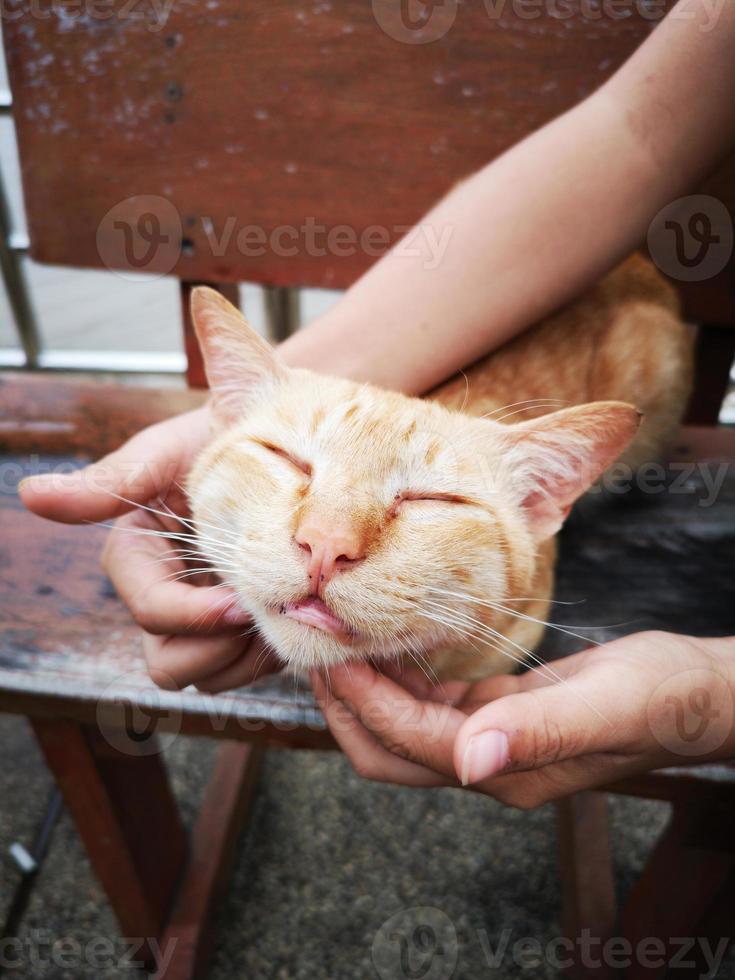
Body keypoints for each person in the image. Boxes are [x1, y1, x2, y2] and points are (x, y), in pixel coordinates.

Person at [20, 0, 735, 806]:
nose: (326, 542)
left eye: (428, 500)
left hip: (610, 352)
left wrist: (717, 691)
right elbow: (636, 129)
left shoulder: (512, 591)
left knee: (638, 350)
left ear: (542, 500)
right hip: (532, 247)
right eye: (283, 463)